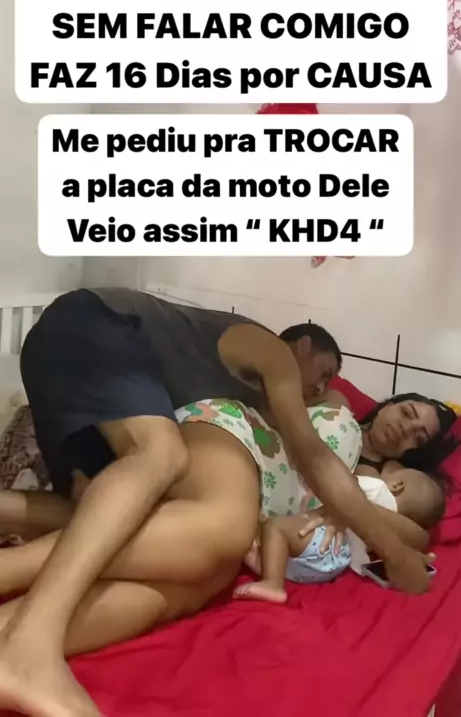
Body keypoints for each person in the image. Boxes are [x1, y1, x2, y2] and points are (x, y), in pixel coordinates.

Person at [0, 288, 431, 717]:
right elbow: (314, 456)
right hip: (97, 325)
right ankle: (29, 646)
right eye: (324, 371)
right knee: (164, 459)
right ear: (302, 346)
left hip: (83, 380)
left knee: (187, 575)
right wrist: (395, 555)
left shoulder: (282, 408)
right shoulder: (275, 355)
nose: (320, 386)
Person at [234, 464, 445, 604]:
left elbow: (342, 488)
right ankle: (270, 565)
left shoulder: (377, 488)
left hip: (324, 540)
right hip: (336, 563)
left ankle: (273, 583)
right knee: (275, 540)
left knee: (275, 527)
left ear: (397, 485)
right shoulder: (392, 528)